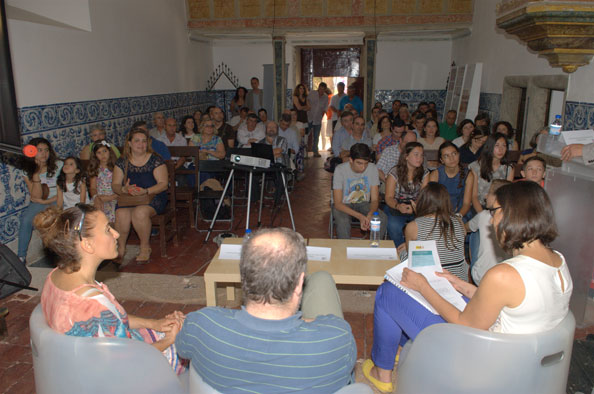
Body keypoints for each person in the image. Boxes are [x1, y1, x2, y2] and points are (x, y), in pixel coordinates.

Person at [364, 181, 572, 393]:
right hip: (521, 358)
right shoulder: (558, 261)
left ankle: (382, 373)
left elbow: (464, 323)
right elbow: (515, 304)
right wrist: (461, 285)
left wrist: (424, 286)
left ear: (512, 213)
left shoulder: (504, 275)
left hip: (482, 362)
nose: (491, 221)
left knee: (388, 292)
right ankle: (399, 350)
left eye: (494, 211)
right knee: (441, 293)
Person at [176, 228, 357, 392]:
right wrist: (304, 322)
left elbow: (182, 348)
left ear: (244, 278)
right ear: (300, 284)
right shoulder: (338, 336)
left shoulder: (203, 324)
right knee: (322, 279)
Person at [36, 205, 185, 374]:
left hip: (87, 363)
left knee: (187, 326)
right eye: (108, 230)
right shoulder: (93, 303)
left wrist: (154, 324)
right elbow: (127, 364)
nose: (116, 234)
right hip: (124, 374)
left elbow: (110, 321)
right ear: (88, 244)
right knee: (196, 339)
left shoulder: (56, 276)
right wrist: (169, 339)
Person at [112, 128, 168, 263]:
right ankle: (121, 248)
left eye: (143, 141)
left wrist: (146, 191)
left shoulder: (155, 160)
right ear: (129, 143)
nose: (140, 144)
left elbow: (163, 184)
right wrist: (124, 189)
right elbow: (115, 185)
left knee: (140, 212)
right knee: (121, 214)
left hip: (152, 197)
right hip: (129, 199)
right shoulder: (122, 162)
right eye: (137, 141)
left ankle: (144, 247)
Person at [403, 182, 468, 281]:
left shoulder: (413, 226)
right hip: (459, 280)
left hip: (430, 282)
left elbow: (412, 258)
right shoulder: (459, 221)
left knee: (402, 253)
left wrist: (418, 214)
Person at [18, 138, 63, 263]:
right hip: (39, 202)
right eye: (40, 150)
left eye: (46, 150)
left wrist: (48, 201)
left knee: (52, 218)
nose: (44, 154)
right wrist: (36, 174)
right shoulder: (26, 170)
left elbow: (63, 190)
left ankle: (58, 255)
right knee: (26, 219)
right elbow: (35, 195)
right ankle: (21, 256)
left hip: (58, 198)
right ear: (32, 152)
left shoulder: (59, 166)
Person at [332, 143, 387, 239]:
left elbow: (374, 200)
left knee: (381, 218)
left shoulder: (373, 168)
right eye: (359, 163)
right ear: (351, 160)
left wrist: (370, 214)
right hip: (343, 205)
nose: (363, 167)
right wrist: (360, 217)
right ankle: (344, 249)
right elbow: (338, 204)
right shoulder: (340, 170)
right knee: (343, 221)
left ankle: (375, 248)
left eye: (366, 163)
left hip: (364, 202)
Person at [383, 142, 429, 247]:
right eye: (416, 154)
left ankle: (415, 250)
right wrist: (398, 206)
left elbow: (423, 196)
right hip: (395, 204)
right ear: (406, 156)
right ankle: (401, 250)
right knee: (394, 225)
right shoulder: (394, 172)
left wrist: (414, 207)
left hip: (417, 205)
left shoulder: (425, 173)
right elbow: (388, 197)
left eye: (421, 155)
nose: (419, 158)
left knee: (424, 225)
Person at [467, 179, 511, 284]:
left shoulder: (484, 216)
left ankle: (470, 267)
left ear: (497, 198)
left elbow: (464, 228)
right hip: (507, 276)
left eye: (489, 193)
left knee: (474, 232)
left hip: (481, 276)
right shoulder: (515, 218)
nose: (486, 196)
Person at [470, 132, 515, 213]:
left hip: (499, 207)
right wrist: (482, 214)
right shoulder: (475, 166)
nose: (501, 149)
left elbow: (508, 195)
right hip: (478, 206)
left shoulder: (508, 168)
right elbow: (474, 197)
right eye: (497, 145)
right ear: (490, 147)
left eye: (504, 146)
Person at [428, 142, 473, 219]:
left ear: (459, 154)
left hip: (461, 212)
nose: (451, 158)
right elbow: (432, 202)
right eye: (446, 156)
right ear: (441, 160)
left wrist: (458, 217)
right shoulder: (436, 174)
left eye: (454, 154)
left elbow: (466, 203)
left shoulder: (468, 175)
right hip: (439, 213)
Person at [88, 140, 118, 222]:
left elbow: (121, 186)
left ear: (109, 152)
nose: (103, 155)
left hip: (114, 198)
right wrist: (96, 198)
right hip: (99, 197)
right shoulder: (95, 169)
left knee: (109, 214)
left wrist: (111, 197)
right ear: (95, 156)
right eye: (99, 153)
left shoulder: (117, 168)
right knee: (91, 214)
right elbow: (93, 188)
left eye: (105, 151)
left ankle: (111, 233)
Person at [307, 82, 329, 157]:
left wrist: (321, 116)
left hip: (318, 119)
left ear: (325, 90)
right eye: (320, 89)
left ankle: (315, 151)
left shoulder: (326, 97)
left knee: (316, 136)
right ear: (318, 88)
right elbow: (306, 101)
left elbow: (325, 108)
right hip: (309, 117)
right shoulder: (312, 93)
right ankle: (305, 151)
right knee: (306, 135)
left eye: (323, 90)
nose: (321, 91)